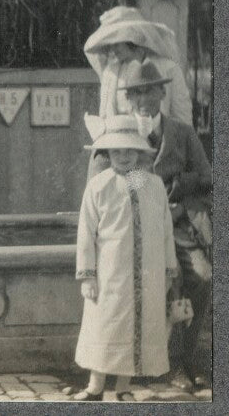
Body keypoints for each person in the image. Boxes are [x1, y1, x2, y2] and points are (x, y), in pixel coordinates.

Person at [89, 59, 213, 392]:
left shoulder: (183, 134)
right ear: (127, 99)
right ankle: (144, 366)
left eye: (150, 91)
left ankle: (184, 360)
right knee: (139, 284)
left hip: (177, 229)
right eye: (135, 94)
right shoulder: (116, 134)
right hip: (130, 235)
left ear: (162, 92)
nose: (143, 100)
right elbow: (97, 181)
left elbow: (207, 179)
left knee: (201, 277)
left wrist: (179, 192)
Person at [73, 113, 179, 402]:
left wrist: (169, 267)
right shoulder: (98, 186)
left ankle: (123, 387)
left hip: (148, 272)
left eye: (129, 150)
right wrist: (88, 275)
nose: (123, 156)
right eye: (116, 151)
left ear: (138, 152)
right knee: (106, 326)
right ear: (107, 153)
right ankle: (95, 387)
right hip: (111, 273)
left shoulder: (152, 185)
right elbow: (86, 233)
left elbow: (165, 229)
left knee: (138, 328)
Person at [84, 6, 192, 125]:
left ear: (131, 39)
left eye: (116, 43)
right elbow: (104, 117)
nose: (112, 49)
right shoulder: (110, 73)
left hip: (159, 141)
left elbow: (183, 120)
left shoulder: (169, 69)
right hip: (121, 141)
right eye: (110, 44)